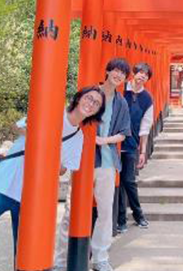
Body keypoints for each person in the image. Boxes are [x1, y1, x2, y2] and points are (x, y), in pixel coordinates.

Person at [0, 86, 106, 271]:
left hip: (31, 197)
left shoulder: (78, 137)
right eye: (89, 98)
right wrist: (40, 139)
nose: (91, 104)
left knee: (24, 249)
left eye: (96, 103)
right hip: (3, 185)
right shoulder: (53, 113)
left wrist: (48, 150)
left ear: (98, 111)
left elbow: (63, 170)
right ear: (79, 98)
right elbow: (19, 126)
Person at [53, 59, 131, 271]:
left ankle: (100, 257)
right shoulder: (91, 95)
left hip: (105, 162)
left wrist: (103, 141)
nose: (118, 75)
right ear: (107, 71)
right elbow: (72, 118)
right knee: (72, 210)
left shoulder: (121, 102)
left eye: (123, 73)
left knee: (105, 211)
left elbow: (123, 133)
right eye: (115, 70)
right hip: (81, 160)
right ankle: (61, 260)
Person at [117, 62, 153, 232]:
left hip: (131, 145)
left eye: (146, 75)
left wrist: (143, 151)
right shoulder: (120, 89)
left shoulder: (147, 98)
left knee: (128, 181)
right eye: (140, 72)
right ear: (134, 73)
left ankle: (138, 215)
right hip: (112, 143)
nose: (142, 76)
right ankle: (121, 219)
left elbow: (145, 127)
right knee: (116, 183)